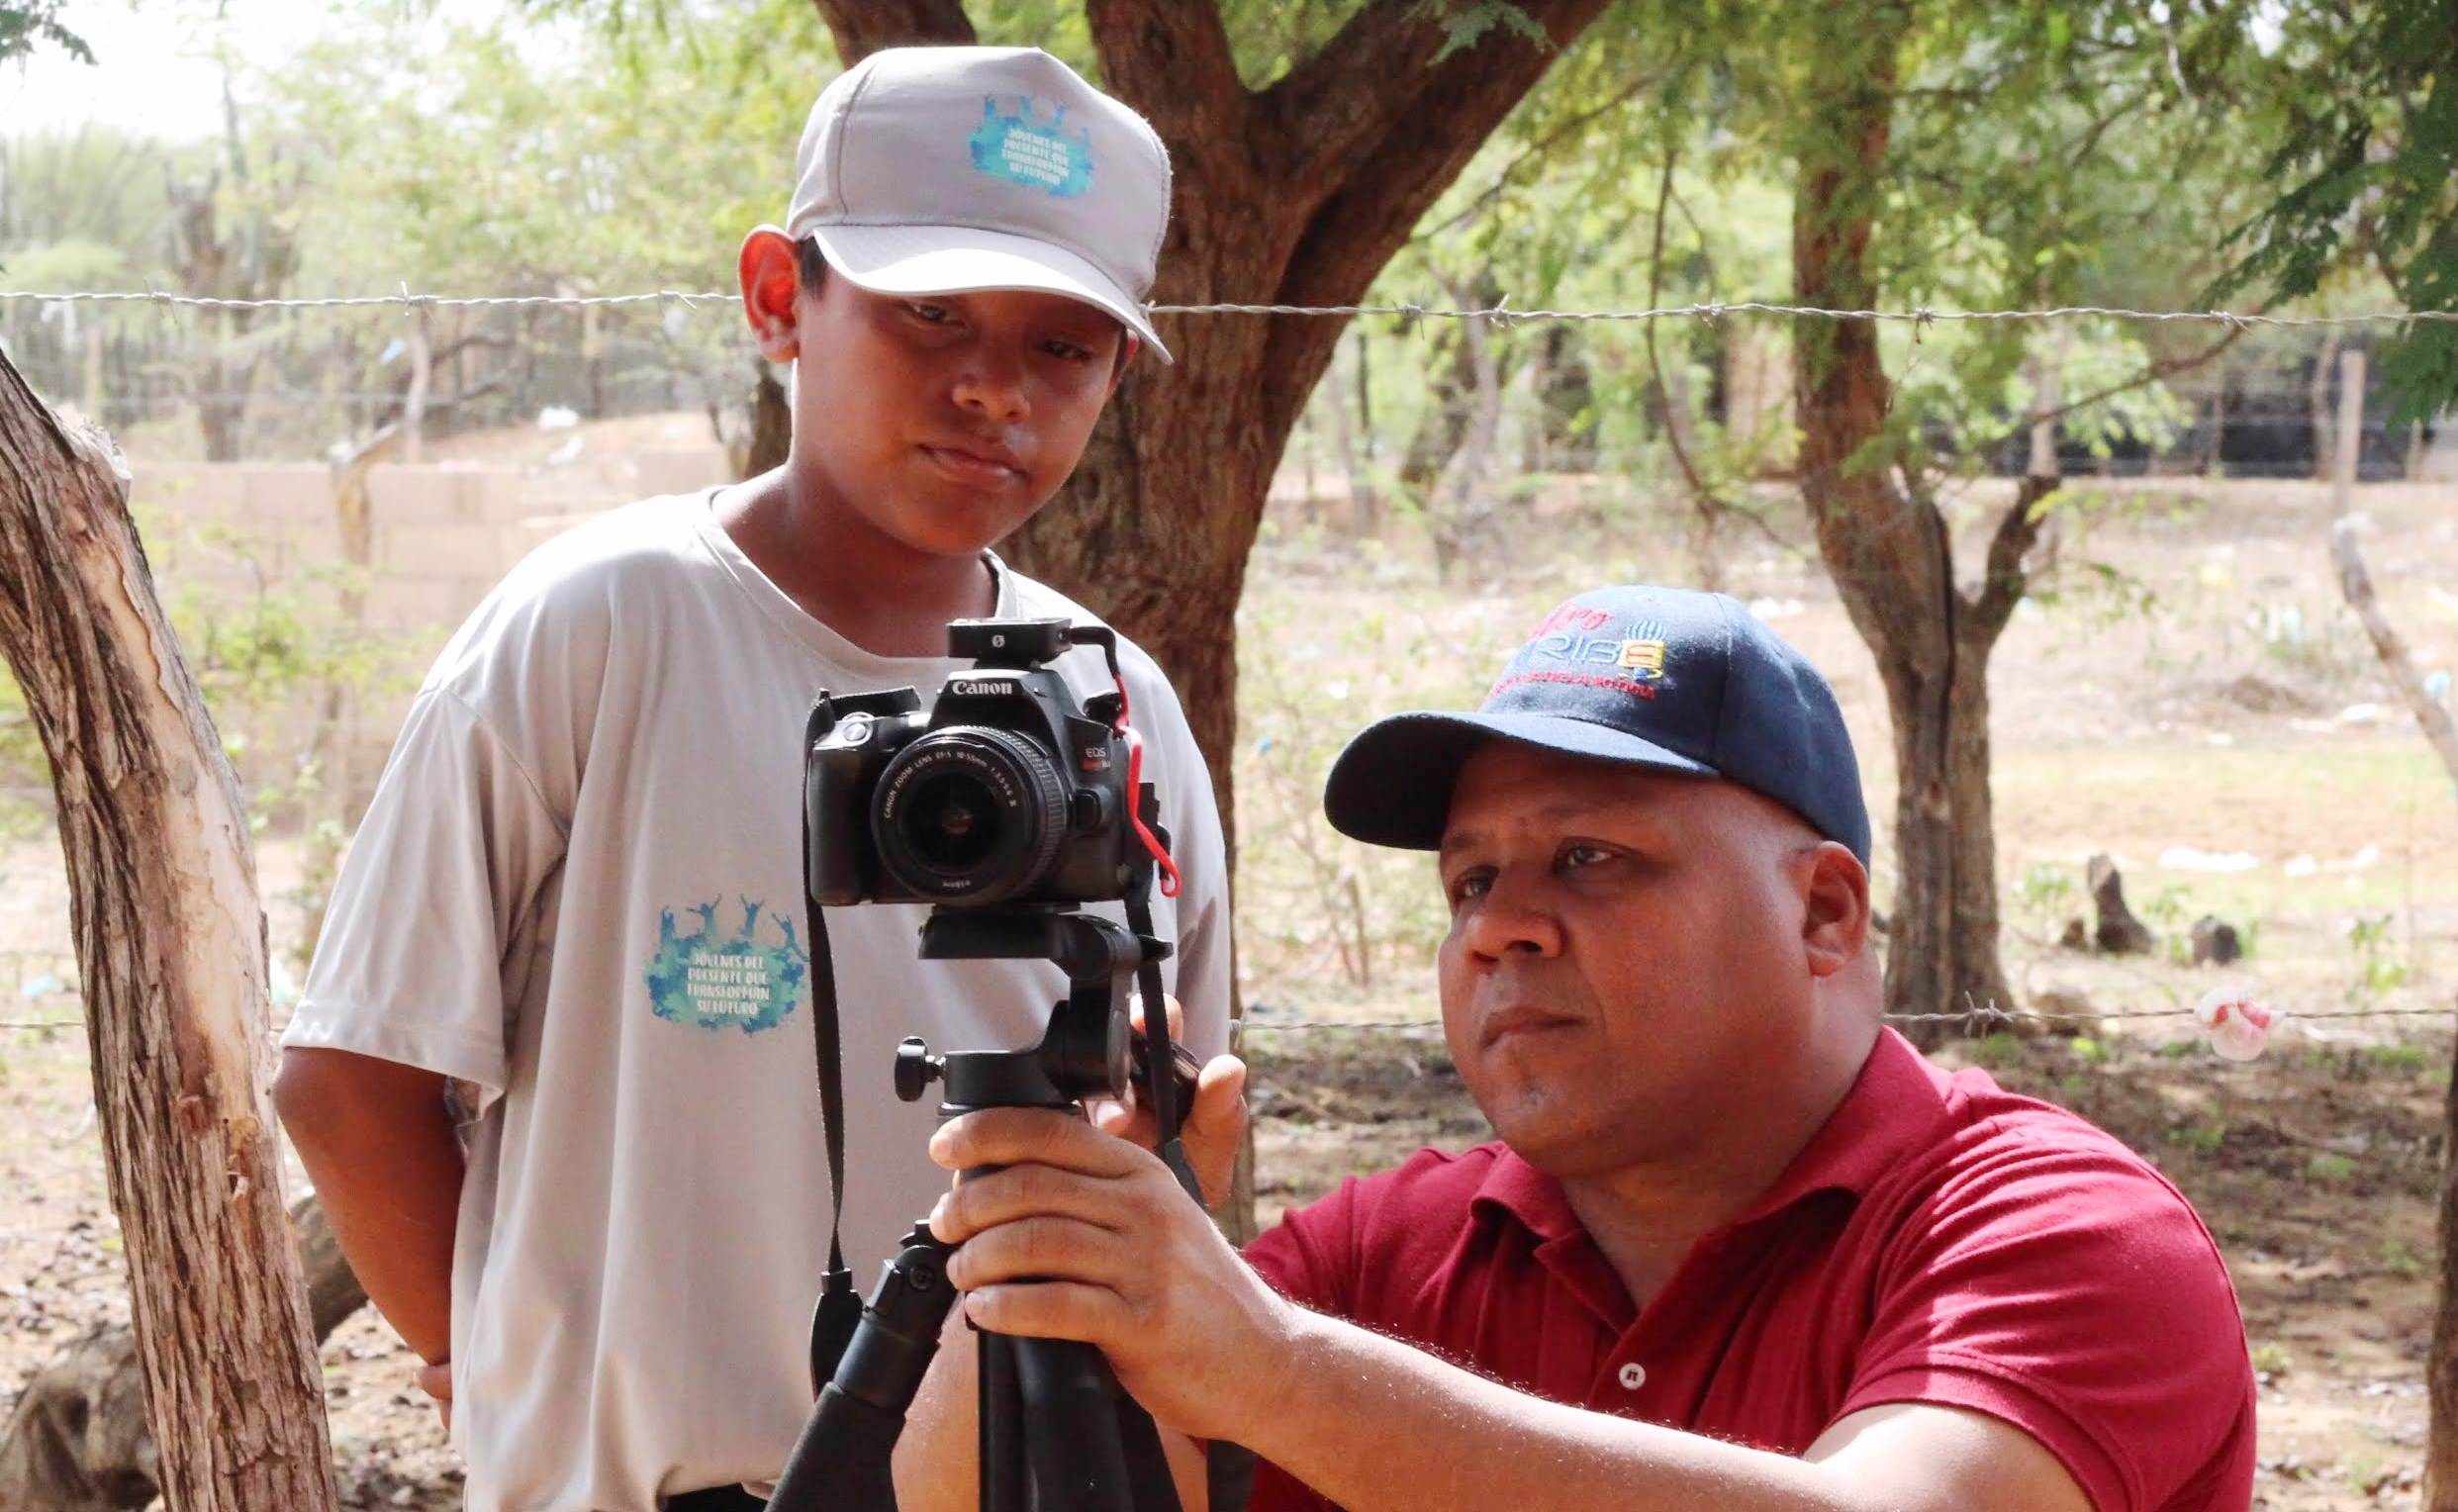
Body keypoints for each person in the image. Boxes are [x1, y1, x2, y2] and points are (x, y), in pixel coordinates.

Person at [270, 46, 1232, 1512]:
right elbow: (351, 1080)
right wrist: (501, 1383)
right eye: (929, 313)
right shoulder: (605, 622)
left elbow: (1184, 1143)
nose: (993, 389)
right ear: (782, 300)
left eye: (1065, 345)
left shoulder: (1114, 700)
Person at [921, 585, 2258, 1512]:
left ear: (1826, 912)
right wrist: (1055, 1253)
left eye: (1589, 859)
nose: (1502, 929)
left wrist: (1278, 1371)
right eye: (1468, 885)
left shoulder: (2055, 1233)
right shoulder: (1390, 1254)